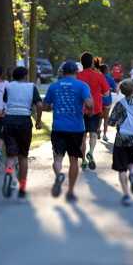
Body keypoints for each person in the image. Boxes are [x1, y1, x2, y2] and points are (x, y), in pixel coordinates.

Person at [46, 60, 95, 202]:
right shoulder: (82, 86)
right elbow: (89, 103)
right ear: (76, 72)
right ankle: (71, 192)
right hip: (76, 128)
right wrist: (90, 111)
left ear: (62, 72)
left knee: (58, 157)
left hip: (58, 127)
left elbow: (46, 105)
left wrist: (50, 108)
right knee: (74, 160)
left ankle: (58, 175)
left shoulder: (54, 86)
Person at [0, 66, 44, 199]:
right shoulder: (31, 87)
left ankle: (8, 171)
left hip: (9, 120)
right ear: (25, 76)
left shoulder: (9, 86)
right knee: (23, 156)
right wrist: (38, 120)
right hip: (24, 121)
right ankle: (22, 187)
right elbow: (40, 105)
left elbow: (5, 101)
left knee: (11, 154)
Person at [106, 78, 133, 206]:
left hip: (121, 138)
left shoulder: (120, 104)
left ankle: (126, 195)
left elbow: (111, 122)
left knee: (121, 167)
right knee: (132, 160)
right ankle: (132, 174)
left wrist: (117, 121)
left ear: (122, 91)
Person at [74, 52, 110, 170]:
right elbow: (106, 93)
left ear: (81, 63)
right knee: (93, 133)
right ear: (92, 63)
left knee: (83, 136)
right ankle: (91, 152)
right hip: (95, 108)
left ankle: (83, 160)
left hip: (80, 109)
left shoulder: (77, 76)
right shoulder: (99, 76)